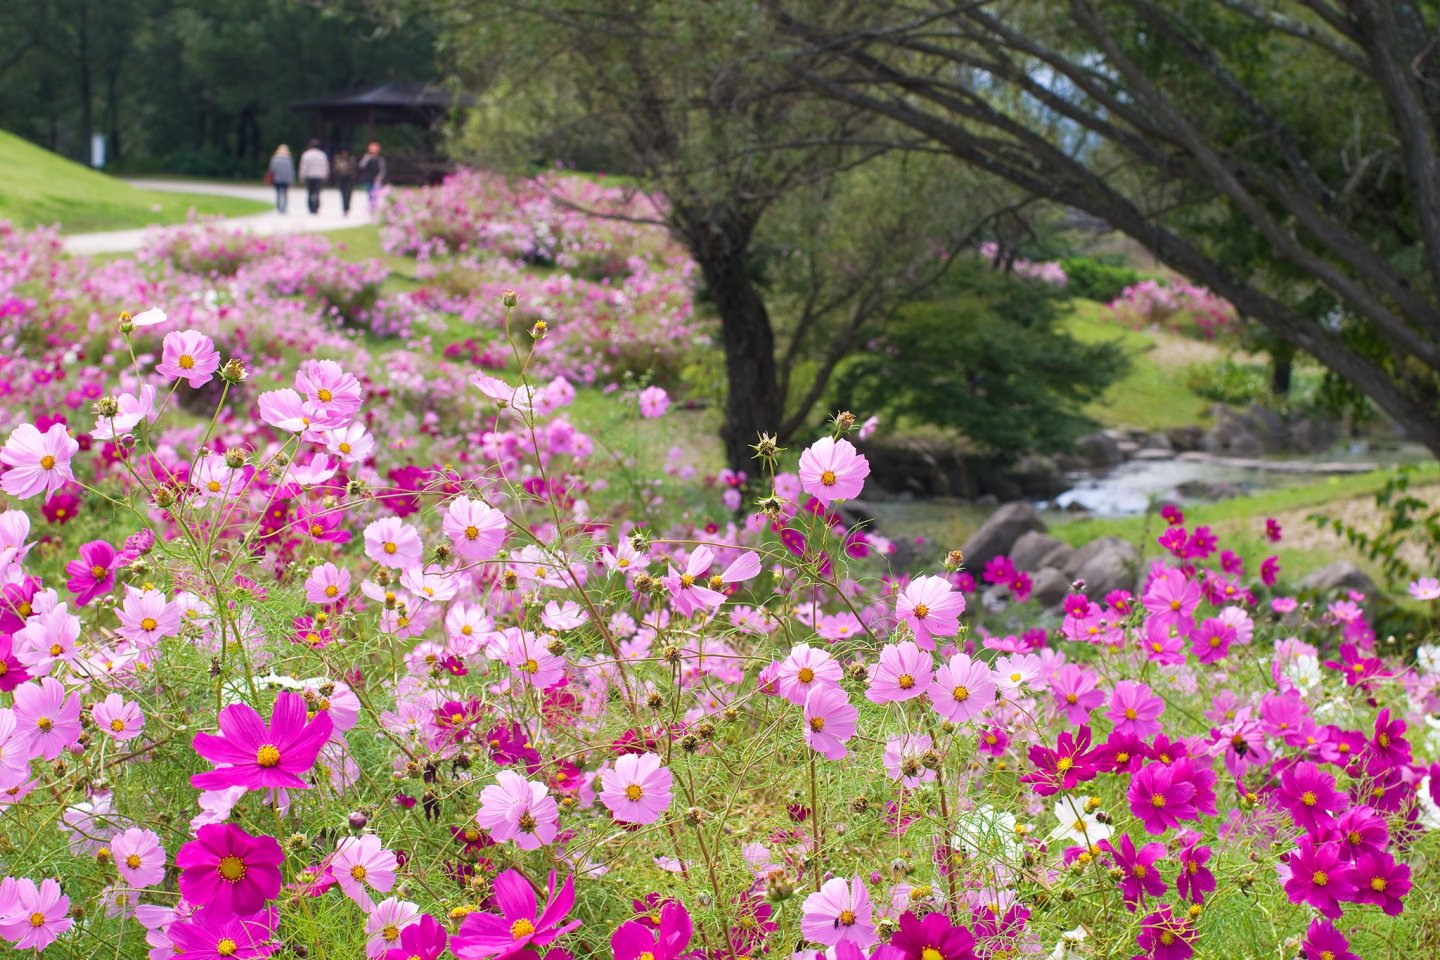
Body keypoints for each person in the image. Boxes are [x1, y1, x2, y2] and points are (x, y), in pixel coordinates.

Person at [298, 139, 330, 215]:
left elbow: (303, 166)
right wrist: (325, 175)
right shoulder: (322, 155)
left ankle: (311, 207)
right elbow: (325, 166)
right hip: (319, 176)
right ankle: (316, 207)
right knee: (317, 193)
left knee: (310, 192)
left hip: (309, 176)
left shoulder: (306, 155)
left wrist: (302, 176)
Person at [358, 142, 387, 215]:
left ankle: (373, 207)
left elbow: (382, 170)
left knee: (375, 194)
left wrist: (379, 177)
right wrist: (366, 159)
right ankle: (371, 207)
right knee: (369, 194)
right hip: (367, 179)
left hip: (376, 180)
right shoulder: (367, 158)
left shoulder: (380, 160)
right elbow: (361, 166)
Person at [267, 145, 294, 214]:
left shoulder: (275, 159)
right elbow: (290, 171)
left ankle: (279, 207)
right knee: (285, 194)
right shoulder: (288, 159)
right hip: (286, 179)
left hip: (277, 179)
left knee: (278, 193)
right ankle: (284, 207)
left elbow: (272, 169)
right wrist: (291, 180)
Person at [332, 147, 357, 217]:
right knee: (343, 195)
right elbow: (336, 169)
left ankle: (347, 208)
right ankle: (344, 208)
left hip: (349, 179)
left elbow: (354, 170)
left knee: (348, 194)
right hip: (342, 179)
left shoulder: (351, 159)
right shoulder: (338, 159)